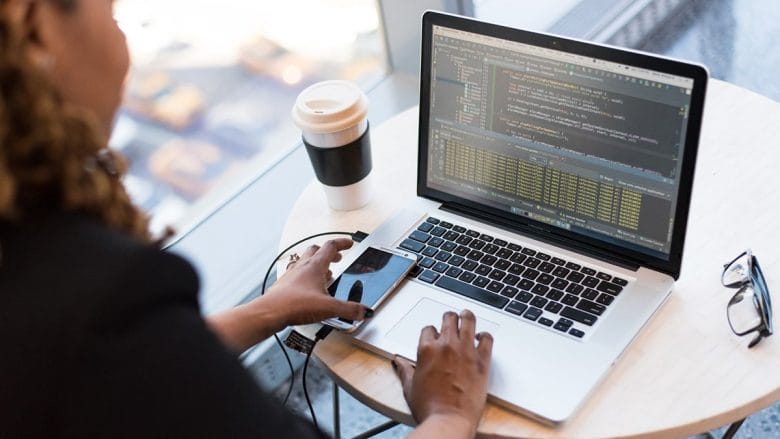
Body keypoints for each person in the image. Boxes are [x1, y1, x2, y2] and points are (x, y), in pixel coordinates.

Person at [0, 0, 494, 437]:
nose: (122, 34)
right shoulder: (103, 291)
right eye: (110, 12)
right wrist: (448, 416)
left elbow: (124, 369)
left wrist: (269, 308)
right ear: (37, 31)